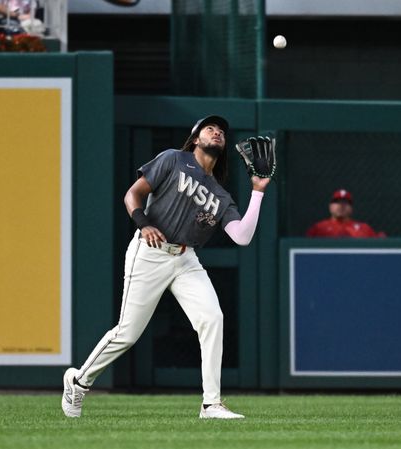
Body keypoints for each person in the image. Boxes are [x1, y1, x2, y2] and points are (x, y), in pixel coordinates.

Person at [61, 116, 274, 420]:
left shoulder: (220, 194)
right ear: (195, 138)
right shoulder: (173, 160)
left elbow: (241, 236)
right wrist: (143, 224)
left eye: (221, 132)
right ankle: (79, 381)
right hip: (150, 252)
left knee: (212, 318)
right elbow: (132, 194)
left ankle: (210, 404)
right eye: (209, 128)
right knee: (127, 333)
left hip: (186, 259)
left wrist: (258, 191)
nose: (217, 132)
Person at [305, 189, 385, 238]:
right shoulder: (319, 228)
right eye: (337, 202)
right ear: (330, 206)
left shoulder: (364, 228)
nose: (341, 206)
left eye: (345, 203)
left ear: (351, 208)